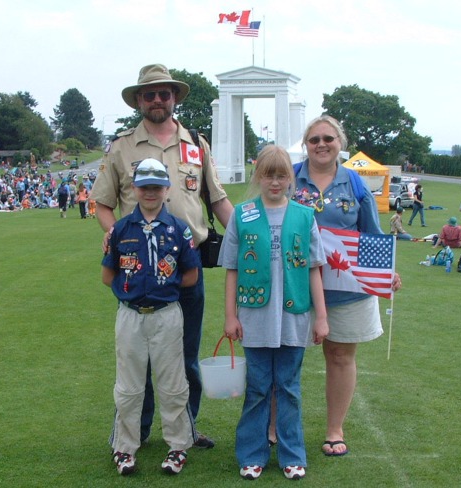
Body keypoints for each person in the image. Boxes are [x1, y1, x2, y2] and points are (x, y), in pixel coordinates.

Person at [90, 63, 233, 448]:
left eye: (164, 93)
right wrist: (115, 236)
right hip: (137, 269)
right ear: (139, 100)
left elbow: (216, 199)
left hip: (186, 267)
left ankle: (185, 426)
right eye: (149, 94)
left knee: (185, 354)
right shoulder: (121, 146)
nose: (157, 100)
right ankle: (138, 428)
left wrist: (246, 236)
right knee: (140, 356)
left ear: (174, 98)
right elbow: (102, 203)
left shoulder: (195, 143)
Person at [291, 115, 402, 456]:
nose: (321, 145)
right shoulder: (288, 176)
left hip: (344, 289)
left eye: (328, 138)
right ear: (305, 144)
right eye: (314, 140)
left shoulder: (355, 184)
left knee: (340, 356)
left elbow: (372, 235)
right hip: (293, 286)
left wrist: (387, 272)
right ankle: (274, 426)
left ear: (340, 143)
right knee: (283, 358)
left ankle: (334, 429)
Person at [219, 146, 328, 481]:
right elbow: (232, 270)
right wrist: (230, 316)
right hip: (254, 317)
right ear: (259, 177)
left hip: (294, 317)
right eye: (269, 175)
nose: (275, 182)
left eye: (282, 175)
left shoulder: (304, 215)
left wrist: (321, 317)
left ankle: (292, 454)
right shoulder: (243, 214)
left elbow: (313, 269)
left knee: (289, 387)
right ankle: (252, 454)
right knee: (258, 387)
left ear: (290, 179)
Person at [102, 158, 199, 476]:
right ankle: (124, 448)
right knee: (129, 387)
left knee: (173, 385)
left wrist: (162, 286)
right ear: (134, 189)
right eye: (145, 186)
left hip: (166, 315)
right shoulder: (119, 229)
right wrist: (132, 291)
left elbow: (191, 275)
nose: (150, 192)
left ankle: (178, 446)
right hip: (130, 316)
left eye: (157, 186)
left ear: (167, 189)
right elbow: (107, 275)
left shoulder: (178, 229)